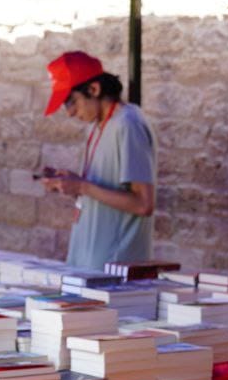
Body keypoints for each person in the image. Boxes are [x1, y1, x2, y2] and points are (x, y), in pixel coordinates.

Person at [38, 51, 156, 270]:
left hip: (114, 274)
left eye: (72, 102)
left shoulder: (128, 124)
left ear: (94, 89)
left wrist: (83, 186)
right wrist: (72, 183)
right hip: (86, 267)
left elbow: (143, 204)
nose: (71, 113)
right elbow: (99, 188)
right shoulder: (96, 125)